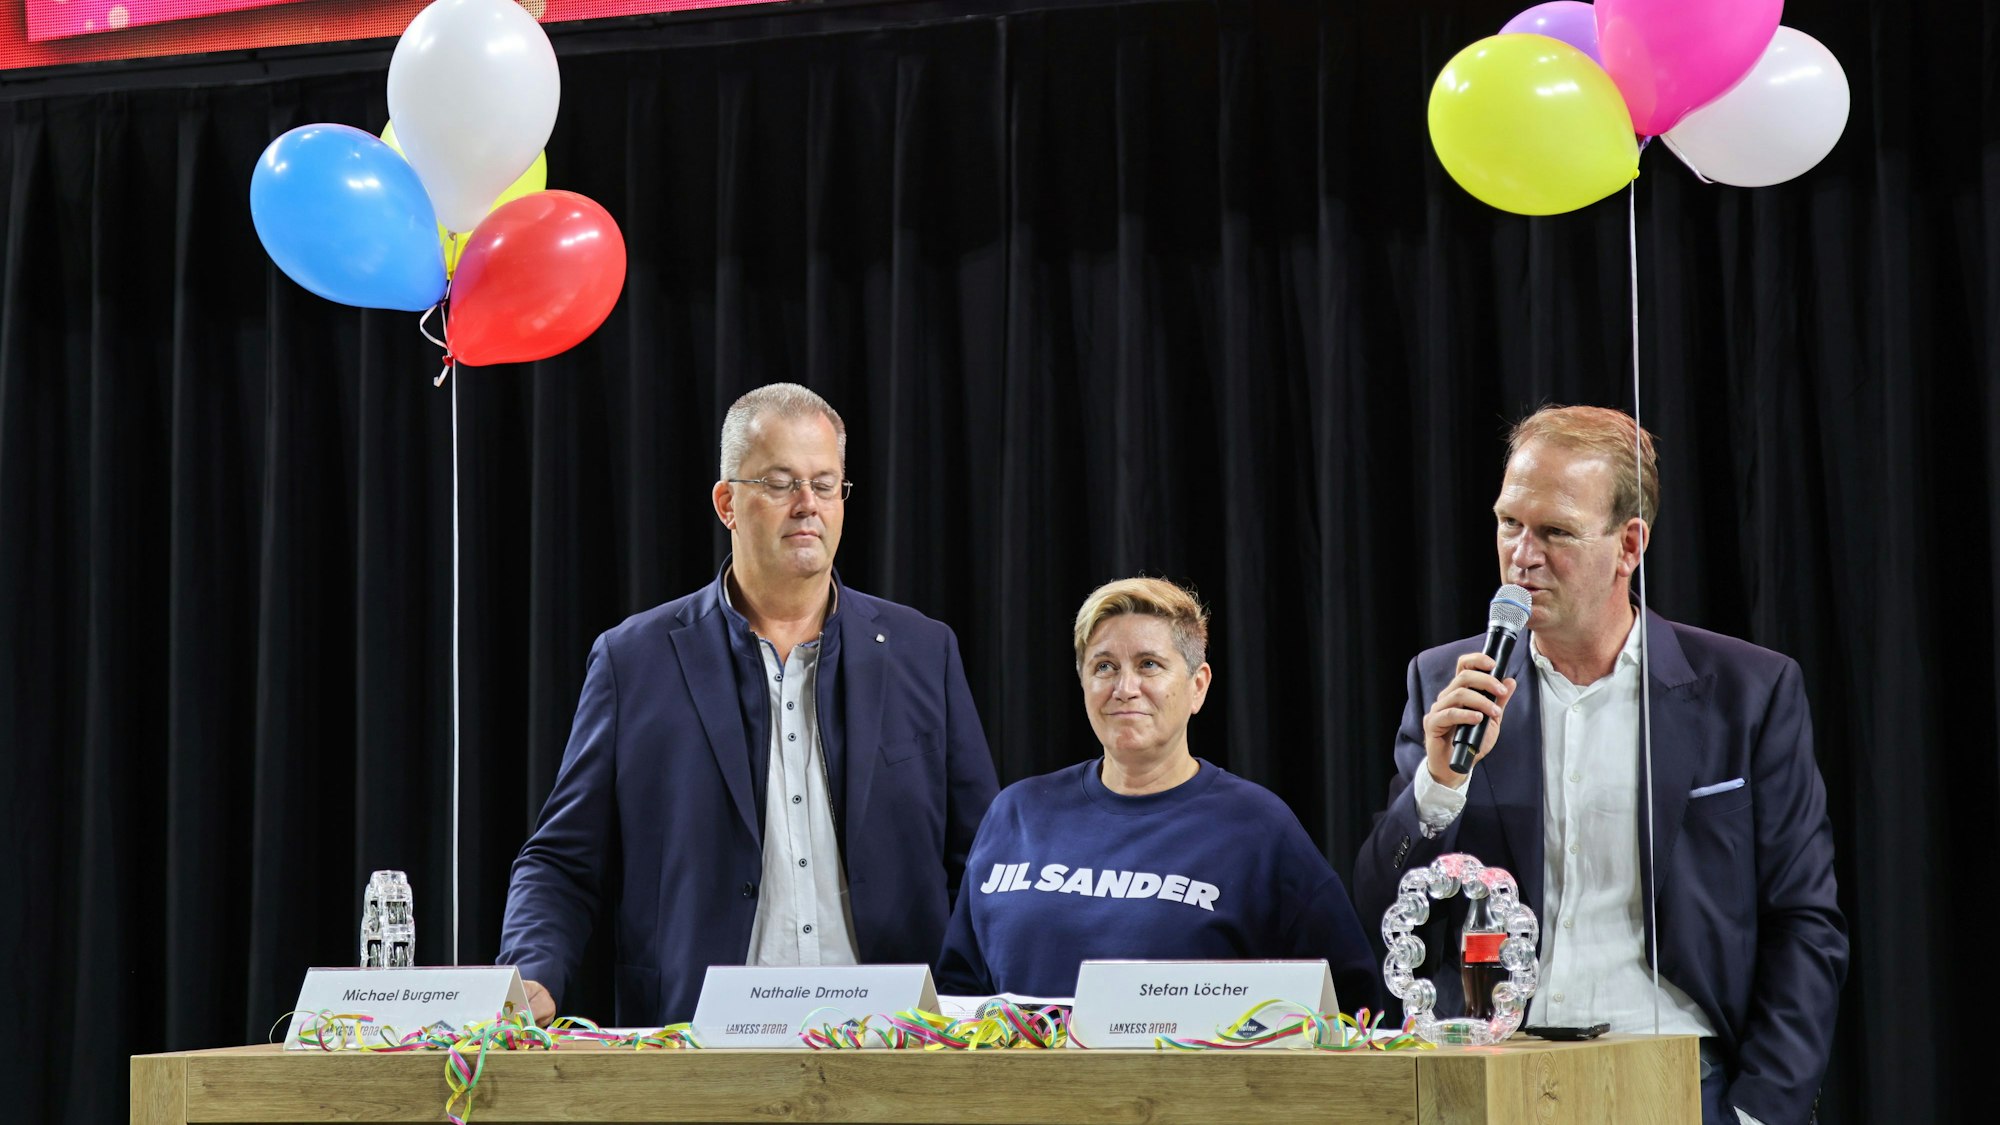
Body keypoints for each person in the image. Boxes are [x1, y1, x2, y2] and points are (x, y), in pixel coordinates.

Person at [1352, 405, 1846, 1125]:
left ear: (1629, 544)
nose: (1522, 554)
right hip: (1496, 1080)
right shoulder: (1444, 682)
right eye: (1508, 523)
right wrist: (1439, 783)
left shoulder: (1749, 691)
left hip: (1675, 1077)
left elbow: (1803, 921)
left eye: (1554, 531)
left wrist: (1759, 1112)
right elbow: (1380, 910)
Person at [498, 382, 999, 1025]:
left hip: (896, 1043)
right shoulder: (634, 661)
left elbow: (984, 864)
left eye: (825, 484)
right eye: (780, 482)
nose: (806, 506)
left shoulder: (924, 652)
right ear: (727, 502)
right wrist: (534, 973)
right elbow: (562, 860)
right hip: (703, 1045)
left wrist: (973, 1006)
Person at [935, 577, 1379, 1011]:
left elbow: (1348, 1006)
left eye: (1149, 664)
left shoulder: (1259, 828)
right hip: (1016, 1087)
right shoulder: (1017, 813)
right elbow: (957, 995)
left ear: (1198, 686)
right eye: (1104, 666)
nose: (1125, 689)